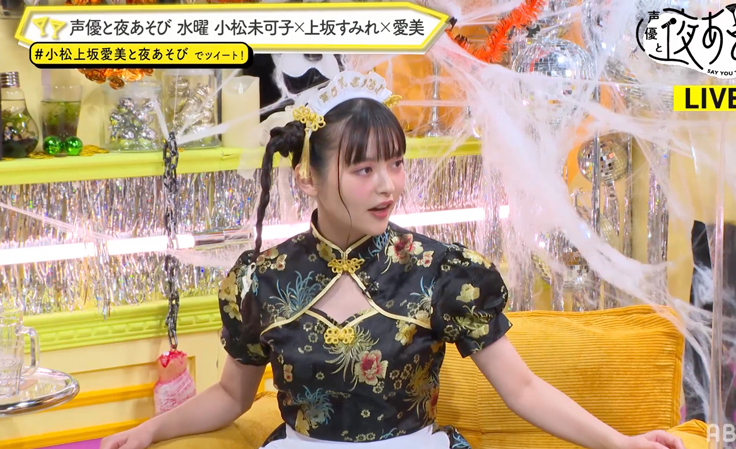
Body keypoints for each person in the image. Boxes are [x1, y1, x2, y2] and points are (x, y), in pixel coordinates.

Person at [100, 71, 685, 449]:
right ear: (307, 178)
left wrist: (622, 443)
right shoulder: (261, 280)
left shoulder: (442, 271)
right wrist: (149, 430)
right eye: (364, 169)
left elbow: (524, 389)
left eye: (396, 163)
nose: (389, 185)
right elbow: (232, 396)